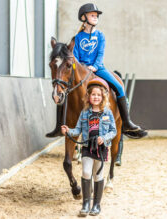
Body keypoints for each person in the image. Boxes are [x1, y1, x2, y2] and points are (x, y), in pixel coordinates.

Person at [46, 3, 147, 139]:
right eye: (92, 14)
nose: (95, 16)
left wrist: (94, 66)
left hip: (98, 68)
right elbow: (74, 56)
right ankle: (59, 125)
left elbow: (100, 54)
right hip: (81, 70)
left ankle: (127, 122)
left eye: (96, 15)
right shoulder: (77, 38)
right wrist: (82, 67)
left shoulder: (100, 36)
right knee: (63, 90)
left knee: (118, 87)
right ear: (83, 17)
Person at [61, 78, 117, 216]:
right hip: (86, 147)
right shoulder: (84, 113)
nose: (96, 97)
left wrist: (103, 139)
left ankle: (96, 205)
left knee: (98, 175)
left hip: (101, 148)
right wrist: (68, 131)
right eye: (93, 95)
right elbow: (77, 130)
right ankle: (86, 204)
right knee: (86, 172)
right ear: (88, 96)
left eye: (98, 95)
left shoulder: (108, 112)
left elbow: (113, 131)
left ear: (103, 96)